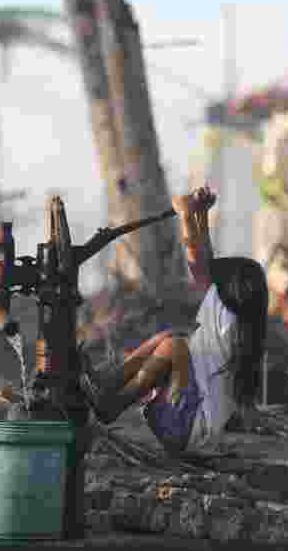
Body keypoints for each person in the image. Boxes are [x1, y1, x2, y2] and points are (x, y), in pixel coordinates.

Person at [81, 186, 269, 456]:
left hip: (183, 428)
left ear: (233, 291)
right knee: (168, 337)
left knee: (175, 345)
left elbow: (199, 263)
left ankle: (114, 403)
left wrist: (184, 214)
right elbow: (207, 264)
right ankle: (107, 387)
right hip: (185, 426)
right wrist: (200, 214)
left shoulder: (228, 318)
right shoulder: (239, 320)